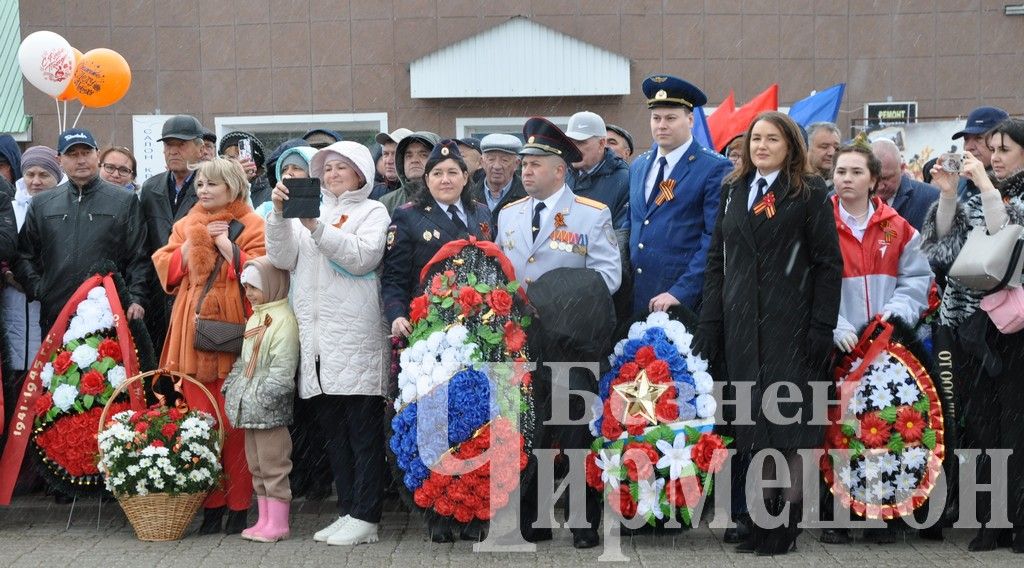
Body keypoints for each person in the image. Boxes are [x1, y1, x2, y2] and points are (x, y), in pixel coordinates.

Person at [698, 111, 842, 556]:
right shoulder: (732, 189)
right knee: (753, 428)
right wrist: (710, 321)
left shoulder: (809, 191)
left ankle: (786, 524)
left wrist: (822, 324)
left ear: (790, 146)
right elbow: (718, 263)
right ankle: (760, 521)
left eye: (772, 139)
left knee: (792, 429)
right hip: (742, 328)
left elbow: (827, 263)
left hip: (792, 328)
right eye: (756, 139)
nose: (761, 146)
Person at [496, 117, 621, 550]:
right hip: (523, 341)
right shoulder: (509, 214)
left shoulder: (591, 214)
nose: (526, 170)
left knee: (574, 430)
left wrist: (561, 300)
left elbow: (608, 276)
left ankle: (585, 520)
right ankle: (535, 516)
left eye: (535, 163)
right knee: (531, 427)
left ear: (559, 170)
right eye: (524, 163)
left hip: (572, 339)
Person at [266, 141, 389, 547]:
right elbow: (282, 259)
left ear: (360, 174)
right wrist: (281, 217)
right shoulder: (306, 211)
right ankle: (348, 510)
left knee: (362, 431)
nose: (333, 174)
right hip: (317, 339)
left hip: (357, 336)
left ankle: (368, 515)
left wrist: (317, 227)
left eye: (342, 167)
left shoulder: (373, 211)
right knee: (334, 433)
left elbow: (363, 257)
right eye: (327, 168)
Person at [821, 142, 933, 545]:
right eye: (840, 172)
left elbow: (918, 278)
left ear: (873, 180)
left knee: (882, 427)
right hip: (840, 348)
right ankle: (837, 513)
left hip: (886, 348)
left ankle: (881, 511)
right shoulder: (820, 224)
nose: (846, 179)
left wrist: (895, 314)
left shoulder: (896, 226)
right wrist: (832, 324)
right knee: (839, 428)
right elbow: (803, 283)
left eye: (855, 172)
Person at [921, 118, 1024, 553]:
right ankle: (992, 520)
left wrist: (984, 185)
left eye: (1003, 149)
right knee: (980, 425)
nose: (994, 158)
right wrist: (947, 194)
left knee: (1015, 427)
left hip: (1014, 329)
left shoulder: (1007, 195)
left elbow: (1007, 237)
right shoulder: (974, 192)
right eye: (991, 150)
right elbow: (940, 250)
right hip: (967, 325)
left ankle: (1019, 520)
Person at [152, 157, 266, 535]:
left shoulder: (252, 223)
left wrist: (225, 245)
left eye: (212, 184)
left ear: (233, 187)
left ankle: (237, 506)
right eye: (200, 184)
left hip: (233, 326)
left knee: (234, 426)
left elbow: (264, 273)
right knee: (199, 423)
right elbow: (165, 265)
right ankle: (210, 504)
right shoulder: (186, 224)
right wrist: (189, 248)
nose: (203, 190)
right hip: (191, 325)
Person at [15, 128, 147, 333]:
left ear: (97, 154)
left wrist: (135, 297)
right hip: (56, 314)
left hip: (109, 314)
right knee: (54, 366)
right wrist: (40, 289)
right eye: (72, 154)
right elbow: (24, 255)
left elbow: (139, 256)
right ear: (59, 159)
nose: (81, 160)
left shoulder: (124, 201)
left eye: (86, 153)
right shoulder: (42, 204)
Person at [628, 74, 732, 314]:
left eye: (671, 118)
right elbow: (634, 224)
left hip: (683, 300)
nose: (661, 125)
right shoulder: (638, 165)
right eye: (656, 118)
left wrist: (681, 291)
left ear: (690, 119)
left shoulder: (714, 167)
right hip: (638, 295)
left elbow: (714, 238)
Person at [222, 256, 300, 543]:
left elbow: (283, 369)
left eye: (254, 287)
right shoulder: (256, 316)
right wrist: (233, 388)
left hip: (269, 406)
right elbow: (244, 361)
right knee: (256, 464)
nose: (249, 293)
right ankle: (264, 518)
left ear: (272, 284)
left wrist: (260, 396)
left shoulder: (283, 320)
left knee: (274, 464)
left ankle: (279, 523)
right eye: (246, 288)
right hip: (250, 405)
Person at [382, 140, 492, 340]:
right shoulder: (408, 216)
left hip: (478, 322)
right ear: (427, 179)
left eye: (452, 172)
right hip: (428, 323)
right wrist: (396, 315)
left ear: (465, 177)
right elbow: (394, 277)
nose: (445, 180)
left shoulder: (482, 212)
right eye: (437, 173)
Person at [2, 146, 60, 429]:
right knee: (14, 384)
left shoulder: (61, 207)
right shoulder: (9, 206)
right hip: (13, 304)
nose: (35, 181)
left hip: (46, 302)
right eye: (30, 174)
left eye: (44, 174)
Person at [139, 114, 206, 352]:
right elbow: (143, 243)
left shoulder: (211, 186)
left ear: (200, 149)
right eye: (169, 145)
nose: (174, 151)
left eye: (181, 144)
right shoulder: (150, 188)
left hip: (197, 289)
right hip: (157, 290)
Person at [564, 111, 631, 229]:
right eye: (569, 142)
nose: (573, 148)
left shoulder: (625, 180)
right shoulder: (561, 175)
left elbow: (621, 236)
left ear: (601, 144)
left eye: (580, 142)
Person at [870, 139, 939, 231]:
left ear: (902, 168)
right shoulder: (854, 199)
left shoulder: (931, 198)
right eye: (873, 178)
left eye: (886, 178)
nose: (879, 186)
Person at [952, 106, 1009, 203]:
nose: (969, 147)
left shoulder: (1014, 188)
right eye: (966, 139)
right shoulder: (959, 183)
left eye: (979, 138)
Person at [470, 133, 527, 227]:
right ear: (482, 162)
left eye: (504, 160)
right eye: (491, 159)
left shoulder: (527, 197)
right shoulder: (467, 195)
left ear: (516, 164)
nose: (497, 166)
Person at [380, 131, 440, 216]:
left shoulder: (449, 196)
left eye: (423, 155)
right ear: (401, 162)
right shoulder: (387, 202)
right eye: (409, 156)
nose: (414, 160)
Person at [220, 131, 271, 209]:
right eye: (230, 158)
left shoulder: (269, 191)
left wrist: (243, 182)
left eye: (241, 157)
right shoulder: (217, 187)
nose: (237, 163)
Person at [370, 128, 412, 200]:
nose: (388, 161)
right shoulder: (375, 192)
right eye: (385, 154)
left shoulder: (429, 192)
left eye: (395, 154)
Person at [806, 122, 841, 188]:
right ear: (807, 148)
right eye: (824, 147)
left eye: (836, 148)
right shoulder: (792, 185)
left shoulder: (844, 187)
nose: (832, 153)